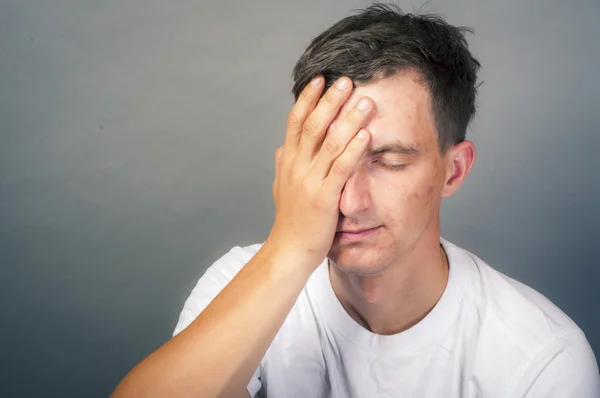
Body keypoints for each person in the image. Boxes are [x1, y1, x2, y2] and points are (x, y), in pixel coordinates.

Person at [112, 3, 600, 397]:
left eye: (389, 161)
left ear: (454, 170)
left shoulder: (541, 357)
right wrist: (291, 248)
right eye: (329, 158)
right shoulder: (242, 283)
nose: (350, 201)